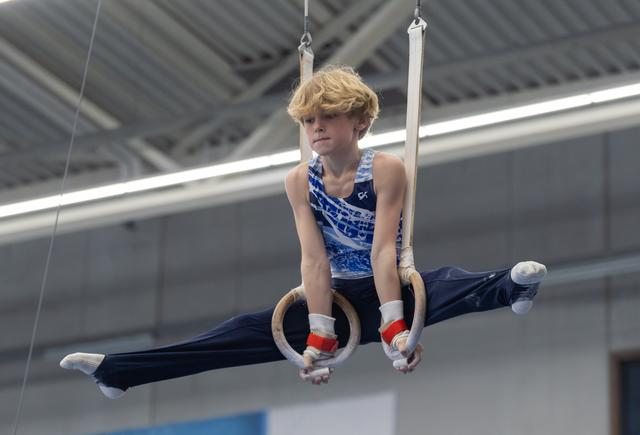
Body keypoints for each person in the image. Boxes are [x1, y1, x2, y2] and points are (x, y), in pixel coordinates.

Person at [60, 65, 546, 397]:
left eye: (329, 116)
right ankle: (118, 373)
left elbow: (382, 252)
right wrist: (320, 334)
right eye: (310, 120)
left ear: (361, 122)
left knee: (448, 282)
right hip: (332, 295)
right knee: (235, 334)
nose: (316, 128)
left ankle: (512, 288)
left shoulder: (387, 170)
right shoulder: (299, 181)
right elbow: (314, 261)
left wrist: (395, 323)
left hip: (388, 283)